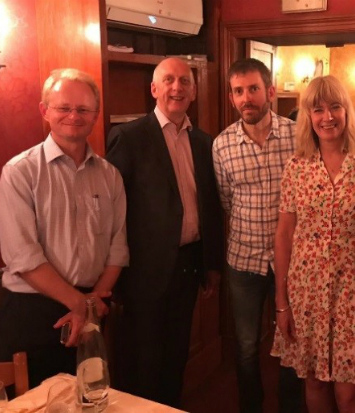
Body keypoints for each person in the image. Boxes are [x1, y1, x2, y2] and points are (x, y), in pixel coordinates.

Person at [0, 68, 129, 388]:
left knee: (90, 399)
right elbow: (22, 256)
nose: (74, 115)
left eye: (83, 109)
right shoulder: (20, 172)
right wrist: (79, 304)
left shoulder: (110, 176)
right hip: (34, 312)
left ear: (95, 115)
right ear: (45, 111)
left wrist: (91, 304)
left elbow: (118, 248)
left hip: (93, 305)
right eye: (63, 107)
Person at [106, 57, 224, 408]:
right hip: (143, 273)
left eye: (185, 81)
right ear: (154, 89)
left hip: (188, 267)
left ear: (194, 90)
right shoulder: (128, 137)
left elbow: (211, 207)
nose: (177, 87)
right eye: (169, 80)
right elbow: (112, 212)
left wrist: (211, 264)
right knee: (141, 364)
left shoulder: (205, 142)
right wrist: (114, 279)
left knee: (175, 358)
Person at [272, 75, 355, 413]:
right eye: (317, 109)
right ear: (307, 116)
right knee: (314, 382)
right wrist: (282, 303)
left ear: (347, 111)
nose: (327, 117)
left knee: (351, 393)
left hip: (353, 290)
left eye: (335, 107)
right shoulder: (296, 167)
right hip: (306, 289)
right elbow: (284, 235)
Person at [212, 58, 303, 413]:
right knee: (247, 345)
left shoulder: (299, 135)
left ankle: (291, 408)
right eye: (238, 91)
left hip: (294, 262)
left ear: (270, 91)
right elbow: (226, 201)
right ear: (232, 97)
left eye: (252, 89)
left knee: (291, 341)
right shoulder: (221, 146)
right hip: (244, 262)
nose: (245, 98)